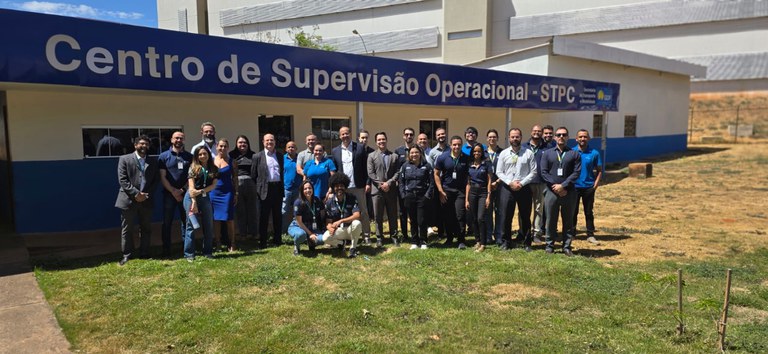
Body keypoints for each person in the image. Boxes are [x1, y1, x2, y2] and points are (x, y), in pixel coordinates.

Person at [115, 135, 159, 266]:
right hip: (128, 199)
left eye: (146, 144)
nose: (144, 146)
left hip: (146, 200)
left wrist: (145, 194)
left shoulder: (153, 161)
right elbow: (123, 179)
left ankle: (144, 253)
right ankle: (127, 255)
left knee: (146, 228)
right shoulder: (124, 159)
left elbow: (156, 181)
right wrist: (136, 194)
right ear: (135, 145)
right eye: (141, 144)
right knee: (127, 229)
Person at [540, 127, 581, 256]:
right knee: (551, 220)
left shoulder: (574, 154)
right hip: (552, 192)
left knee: (568, 220)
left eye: (564, 134)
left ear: (568, 137)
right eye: (559, 135)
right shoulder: (547, 153)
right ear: (555, 137)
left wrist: (563, 186)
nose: (561, 137)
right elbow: (544, 172)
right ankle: (549, 245)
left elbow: (576, 172)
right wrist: (555, 187)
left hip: (569, 192)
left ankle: (567, 246)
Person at [496, 128, 537, 251]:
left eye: (517, 137)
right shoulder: (503, 153)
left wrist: (521, 183)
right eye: (512, 137)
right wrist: (510, 183)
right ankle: (506, 242)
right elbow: (499, 172)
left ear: (521, 137)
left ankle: (527, 243)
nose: (515, 139)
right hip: (507, 188)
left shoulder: (529, 153)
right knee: (506, 216)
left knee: (525, 216)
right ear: (509, 138)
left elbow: (533, 171)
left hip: (523, 188)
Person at [331, 126, 372, 243]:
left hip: (359, 186)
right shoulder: (335, 151)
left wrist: (367, 183)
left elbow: (366, 168)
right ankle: (347, 237)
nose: (345, 136)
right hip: (343, 188)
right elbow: (335, 170)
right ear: (339, 136)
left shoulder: (359, 148)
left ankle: (366, 236)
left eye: (347, 133)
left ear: (350, 134)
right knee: (345, 212)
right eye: (342, 134)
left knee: (363, 212)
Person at [158, 131, 192, 257]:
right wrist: (173, 191)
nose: (179, 140)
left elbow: (191, 177)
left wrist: (182, 190)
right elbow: (163, 177)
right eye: (176, 138)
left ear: (184, 140)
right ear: (172, 140)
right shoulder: (163, 156)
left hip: (185, 194)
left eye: (181, 138)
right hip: (169, 195)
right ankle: (166, 250)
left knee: (186, 222)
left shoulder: (189, 156)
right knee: (167, 223)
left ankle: (187, 249)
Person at [183, 145, 219, 261]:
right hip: (191, 199)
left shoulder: (214, 168)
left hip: (205, 197)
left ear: (208, 155)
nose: (203, 156)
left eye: (205, 154)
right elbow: (191, 188)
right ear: (196, 156)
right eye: (200, 154)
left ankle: (207, 252)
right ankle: (189, 254)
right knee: (191, 226)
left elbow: (213, 185)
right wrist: (194, 202)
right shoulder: (193, 167)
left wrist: (202, 191)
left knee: (208, 225)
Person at [434, 136, 470, 249]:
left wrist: (467, 195)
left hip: (460, 191)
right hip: (446, 191)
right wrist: (440, 190)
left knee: (460, 215)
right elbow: (436, 174)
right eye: (454, 144)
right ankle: (449, 238)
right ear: (450, 145)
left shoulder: (466, 158)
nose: (457, 147)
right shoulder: (442, 158)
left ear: (462, 145)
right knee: (448, 215)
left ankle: (461, 240)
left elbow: (469, 177)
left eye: (459, 144)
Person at [367, 132, 400, 247]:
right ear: (376, 142)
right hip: (377, 191)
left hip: (391, 190)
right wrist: (382, 184)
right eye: (379, 140)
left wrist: (389, 183)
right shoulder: (371, 156)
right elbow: (370, 173)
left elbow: (397, 172)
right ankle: (379, 237)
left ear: (386, 140)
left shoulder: (394, 156)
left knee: (392, 214)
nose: (381, 141)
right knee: (378, 216)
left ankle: (394, 236)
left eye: (383, 139)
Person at [251, 134, 284, 248]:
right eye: (267, 140)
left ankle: (277, 240)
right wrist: (259, 188)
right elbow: (253, 175)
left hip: (277, 189)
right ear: (263, 142)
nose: (269, 142)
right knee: (263, 217)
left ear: (275, 142)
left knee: (277, 216)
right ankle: (263, 241)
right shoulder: (257, 156)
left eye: (272, 140)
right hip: (264, 190)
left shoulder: (279, 155)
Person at [398, 145, 433, 249]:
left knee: (421, 220)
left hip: (422, 196)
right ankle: (414, 241)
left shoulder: (427, 166)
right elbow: (401, 182)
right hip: (409, 196)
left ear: (420, 153)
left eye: (416, 152)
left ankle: (423, 241)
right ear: (409, 154)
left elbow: (431, 183)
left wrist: (427, 196)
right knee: (412, 220)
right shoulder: (405, 166)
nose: (414, 155)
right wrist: (403, 195)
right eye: (412, 153)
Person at [572, 129, 603, 245]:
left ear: (588, 138)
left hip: (588, 187)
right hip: (574, 187)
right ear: (576, 139)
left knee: (588, 212)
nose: (582, 139)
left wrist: (595, 185)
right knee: (572, 211)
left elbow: (599, 170)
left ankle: (590, 235)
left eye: (585, 137)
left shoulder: (594, 153)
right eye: (580, 137)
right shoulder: (572, 152)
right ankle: (572, 234)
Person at [322, 173, 363, 258]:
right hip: (338, 230)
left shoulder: (351, 198)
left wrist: (341, 220)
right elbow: (328, 222)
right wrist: (330, 228)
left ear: (345, 186)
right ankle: (341, 244)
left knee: (357, 223)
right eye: (336, 186)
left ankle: (353, 248)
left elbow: (357, 215)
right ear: (333, 188)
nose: (339, 188)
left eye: (341, 186)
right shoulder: (330, 202)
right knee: (325, 238)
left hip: (349, 229)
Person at [210, 138, 238, 252]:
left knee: (229, 219)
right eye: (220, 146)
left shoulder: (232, 161)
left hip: (227, 192)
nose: (222, 148)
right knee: (215, 219)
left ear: (228, 148)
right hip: (214, 192)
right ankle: (217, 243)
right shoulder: (211, 161)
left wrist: (236, 193)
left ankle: (232, 243)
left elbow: (235, 178)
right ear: (216, 147)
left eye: (225, 146)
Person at [522, 125, 547, 244]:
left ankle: (536, 233)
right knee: (524, 209)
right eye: (534, 131)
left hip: (541, 182)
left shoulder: (547, 148)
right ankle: (523, 232)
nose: (536, 133)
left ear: (542, 133)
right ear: (531, 132)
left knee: (538, 209)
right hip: (526, 183)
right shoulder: (524, 147)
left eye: (539, 131)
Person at [229, 135, 258, 239]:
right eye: (240, 142)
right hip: (237, 183)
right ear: (236, 144)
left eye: (244, 142)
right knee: (240, 210)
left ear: (248, 144)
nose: (242, 144)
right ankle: (242, 234)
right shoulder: (231, 155)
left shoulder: (253, 155)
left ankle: (253, 233)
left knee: (252, 209)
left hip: (250, 182)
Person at [465, 143, 492, 252]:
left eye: (479, 151)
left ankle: (483, 243)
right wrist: (466, 199)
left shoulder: (486, 164)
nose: (477, 153)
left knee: (481, 218)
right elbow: (468, 183)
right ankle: (477, 241)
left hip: (483, 192)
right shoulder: (469, 164)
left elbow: (489, 180)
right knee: (474, 218)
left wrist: (488, 196)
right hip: (472, 192)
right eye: (475, 151)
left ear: (482, 152)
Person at [287, 180, 325, 256]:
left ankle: (311, 242)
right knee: (300, 235)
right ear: (302, 190)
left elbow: (322, 215)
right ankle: (296, 246)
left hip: (312, 227)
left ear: (313, 189)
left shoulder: (317, 200)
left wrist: (322, 229)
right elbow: (299, 222)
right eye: (305, 189)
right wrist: (310, 234)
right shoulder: (298, 203)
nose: (308, 190)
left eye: (309, 188)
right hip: (298, 226)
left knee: (322, 239)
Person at [394, 127, 416, 239]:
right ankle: (404, 234)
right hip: (402, 185)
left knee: (414, 211)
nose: (409, 136)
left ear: (413, 136)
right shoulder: (398, 151)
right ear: (403, 136)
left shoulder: (417, 150)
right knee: (403, 211)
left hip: (414, 186)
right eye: (406, 134)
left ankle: (414, 233)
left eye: (411, 134)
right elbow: (396, 168)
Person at [485, 129, 503, 246]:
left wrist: (497, 182)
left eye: (494, 137)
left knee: (499, 211)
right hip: (486, 187)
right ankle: (488, 235)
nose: (492, 139)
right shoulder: (483, 153)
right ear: (487, 139)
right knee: (488, 211)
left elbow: (507, 169)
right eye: (490, 137)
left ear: (497, 138)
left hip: (500, 186)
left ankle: (498, 236)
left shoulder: (503, 152)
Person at [282, 141, 302, 234]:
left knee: (296, 210)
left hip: (297, 189)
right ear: (286, 149)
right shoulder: (282, 159)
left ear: (296, 149)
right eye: (289, 147)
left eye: (293, 147)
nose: (291, 149)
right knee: (284, 211)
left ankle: (296, 230)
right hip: (286, 189)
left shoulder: (300, 158)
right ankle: (284, 231)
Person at [358, 130, 376, 234]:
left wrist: (368, 183)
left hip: (368, 183)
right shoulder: (355, 150)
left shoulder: (371, 152)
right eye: (362, 137)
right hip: (357, 183)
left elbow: (371, 170)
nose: (364, 140)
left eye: (366, 138)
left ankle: (367, 228)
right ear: (358, 138)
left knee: (368, 207)